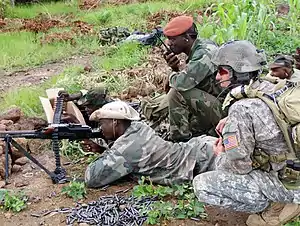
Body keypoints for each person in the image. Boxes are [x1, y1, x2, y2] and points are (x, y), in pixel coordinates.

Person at [192, 40, 300, 226]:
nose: (218, 77)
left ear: (237, 72)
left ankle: (276, 206)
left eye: (222, 71)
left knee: (202, 185)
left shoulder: (241, 109)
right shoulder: (274, 84)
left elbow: (240, 166)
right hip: (294, 166)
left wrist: (220, 155)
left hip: (290, 183)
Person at [84, 101, 217, 188]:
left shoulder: (127, 148)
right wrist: (103, 149)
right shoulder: (137, 127)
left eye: (102, 123)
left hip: (205, 160)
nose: (100, 128)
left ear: (115, 122)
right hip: (202, 147)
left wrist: (106, 152)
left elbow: (92, 178)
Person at [162, 15, 225, 142]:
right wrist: (175, 69)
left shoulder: (205, 53)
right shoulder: (199, 48)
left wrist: (172, 74)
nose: (169, 43)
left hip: (225, 112)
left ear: (186, 38)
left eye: (172, 39)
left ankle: (180, 142)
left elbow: (180, 84)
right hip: (215, 103)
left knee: (176, 93)